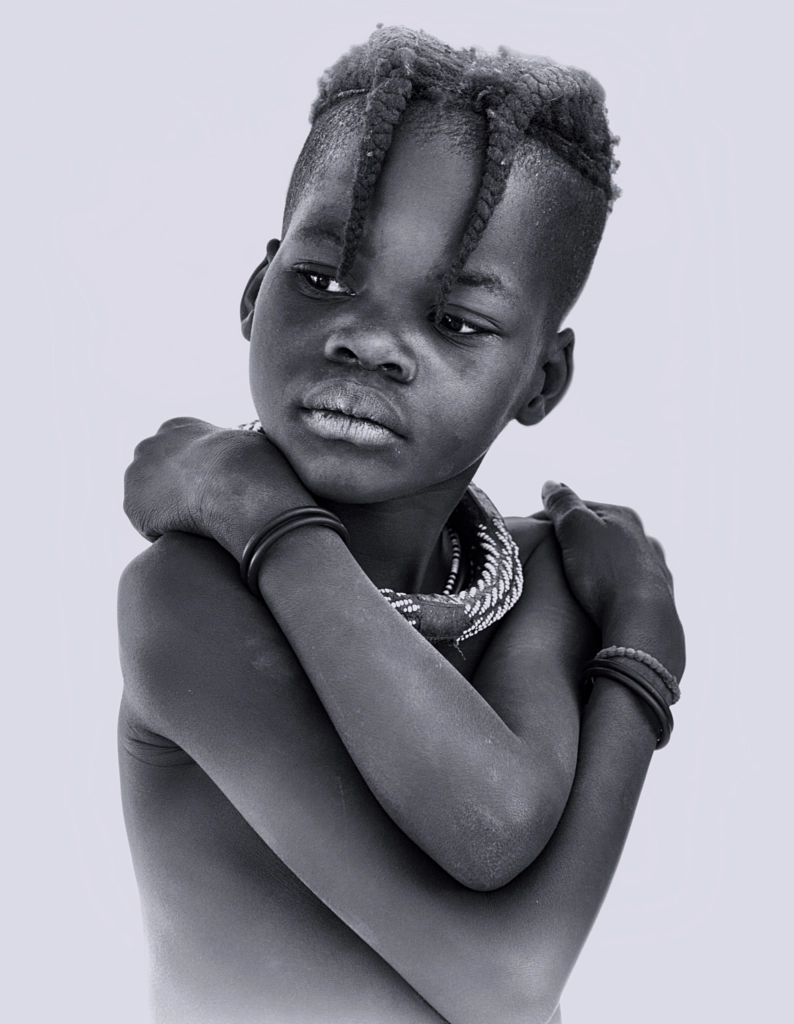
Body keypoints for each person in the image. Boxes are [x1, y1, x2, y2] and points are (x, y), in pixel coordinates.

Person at [118, 26, 685, 1024]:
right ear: (257, 289)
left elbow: (500, 818)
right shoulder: (188, 595)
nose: (367, 337)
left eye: (457, 321)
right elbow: (505, 986)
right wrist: (638, 655)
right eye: (323, 275)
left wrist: (261, 504)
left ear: (539, 381)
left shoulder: (528, 577)